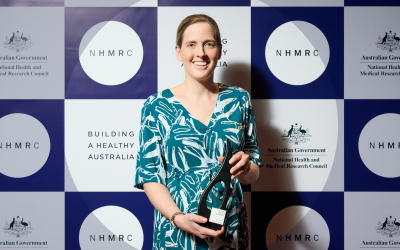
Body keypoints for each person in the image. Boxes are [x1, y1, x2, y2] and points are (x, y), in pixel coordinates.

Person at [134, 14, 262, 249]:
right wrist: (178, 218)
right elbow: (150, 177)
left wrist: (245, 167)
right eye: (191, 44)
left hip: (229, 232)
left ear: (219, 50)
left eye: (209, 44)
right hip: (176, 234)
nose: (200, 53)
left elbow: (253, 173)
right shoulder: (156, 106)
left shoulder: (239, 100)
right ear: (178, 51)